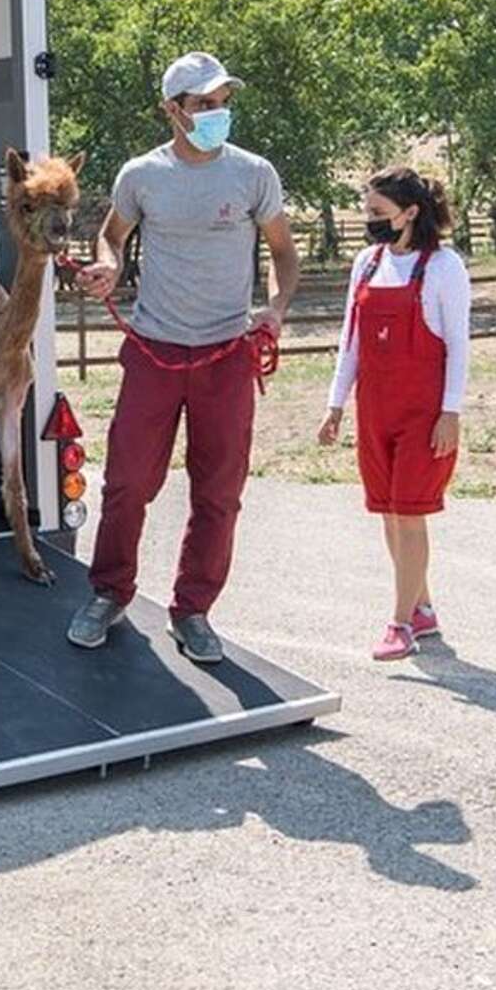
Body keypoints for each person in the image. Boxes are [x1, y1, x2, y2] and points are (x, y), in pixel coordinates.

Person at [65, 52, 299, 665]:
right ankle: (109, 593)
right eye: (203, 104)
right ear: (172, 110)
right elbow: (113, 235)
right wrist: (110, 266)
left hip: (227, 354)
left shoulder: (254, 174)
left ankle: (192, 610)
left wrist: (274, 308)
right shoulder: (143, 175)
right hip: (154, 348)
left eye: (223, 102)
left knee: (218, 491)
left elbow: (283, 252)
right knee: (127, 482)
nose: (217, 113)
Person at [316, 168, 471, 661]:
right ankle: (421, 605)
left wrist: (452, 412)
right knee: (387, 509)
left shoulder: (445, 268)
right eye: (367, 213)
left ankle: (400, 621)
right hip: (375, 407)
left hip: (425, 411)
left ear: (411, 213)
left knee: (411, 513)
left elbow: (459, 348)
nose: (371, 222)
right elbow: (351, 340)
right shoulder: (367, 263)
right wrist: (335, 404)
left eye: (379, 214)